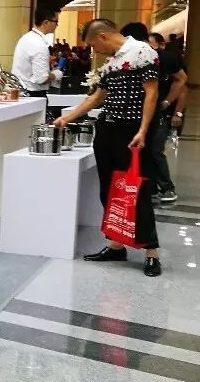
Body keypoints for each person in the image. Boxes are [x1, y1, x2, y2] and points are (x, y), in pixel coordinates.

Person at [56, 19, 162, 276]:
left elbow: (151, 93)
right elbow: (97, 97)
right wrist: (68, 117)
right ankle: (115, 245)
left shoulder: (142, 52)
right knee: (109, 188)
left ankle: (151, 252)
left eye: (93, 45)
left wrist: (143, 130)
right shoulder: (111, 63)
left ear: (103, 36)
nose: (95, 51)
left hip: (132, 130)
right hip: (107, 130)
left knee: (137, 189)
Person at [138, 26, 186, 204]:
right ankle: (151, 188)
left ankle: (167, 187)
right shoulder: (140, 59)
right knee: (147, 150)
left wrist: (175, 110)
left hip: (163, 113)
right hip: (148, 111)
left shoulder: (167, 60)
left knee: (155, 150)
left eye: (151, 44)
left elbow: (183, 86)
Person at [12, 8, 61, 97]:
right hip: (33, 94)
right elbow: (41, 79)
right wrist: (56, 75)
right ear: (46, 22)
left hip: (21, 90)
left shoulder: (26, 37)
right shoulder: (39, 44)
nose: (57, 25)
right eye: (56, 22)